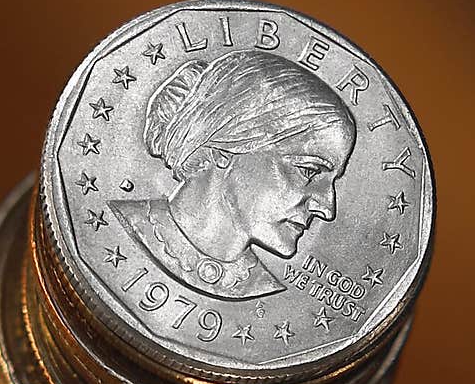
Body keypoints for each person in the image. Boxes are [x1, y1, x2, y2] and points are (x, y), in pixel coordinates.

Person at [109, 50, 356, 301]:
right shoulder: (116, 227)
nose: (327, 208)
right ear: (224, 149)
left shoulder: (267, 295)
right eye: (310, 171)